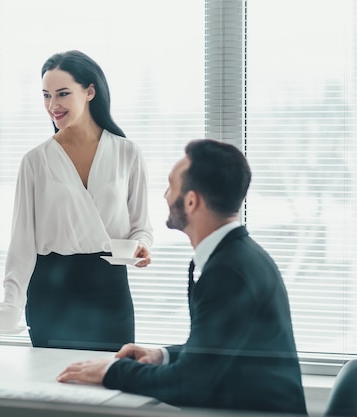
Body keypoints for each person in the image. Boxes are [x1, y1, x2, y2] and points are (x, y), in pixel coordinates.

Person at [57, 139, 308, 414]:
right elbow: (215, 348)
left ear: (191, 201)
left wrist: (112, 371)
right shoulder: (238, 256)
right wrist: (162, 356)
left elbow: (190, 383)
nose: (165, 195)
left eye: (171, 186)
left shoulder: (228, 271)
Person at [0, 50, 154, 351]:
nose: (53, 105)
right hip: (51, 293)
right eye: (46, 96)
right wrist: (10, 306)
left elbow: (141, 226)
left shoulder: (127, 153)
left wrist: (142, 245)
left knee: (113, 381)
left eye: (63, 94)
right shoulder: (35, 161)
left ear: (90, 91)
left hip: (110, 290)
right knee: (53, 386)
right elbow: (22, 242)